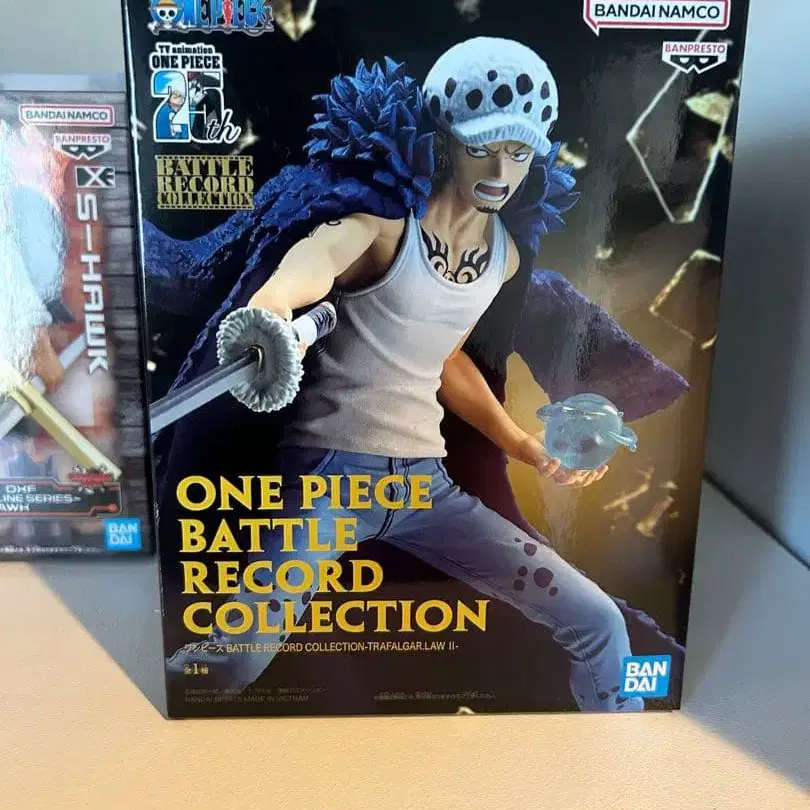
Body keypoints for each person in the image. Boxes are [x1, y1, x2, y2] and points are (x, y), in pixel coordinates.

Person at [161, 38, 690, 711]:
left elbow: (446, 359)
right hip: (330, 481)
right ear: (444, 143)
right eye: (482, 147)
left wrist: (523, 445)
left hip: (426, 491)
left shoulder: (500, 259)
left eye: (519, 152)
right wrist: (269, 312)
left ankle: (617, 747)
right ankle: (143, 701)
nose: (500, 170)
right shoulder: (381, 228)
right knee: (234, 660)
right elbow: (313, 263)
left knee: (599, 622)